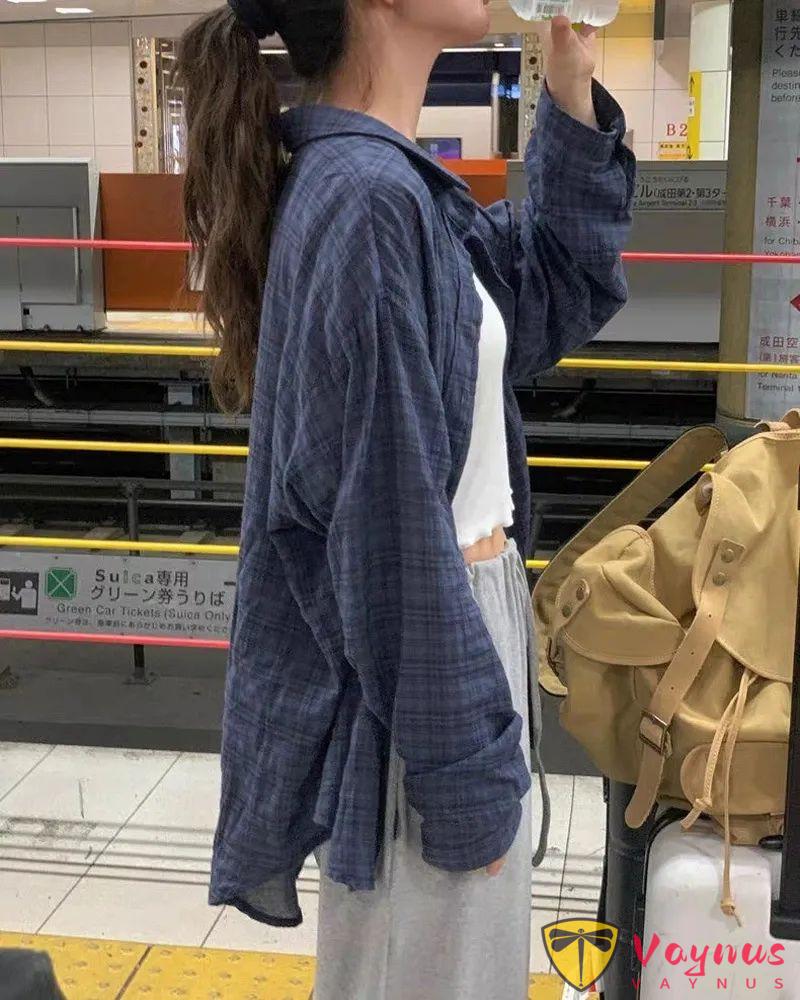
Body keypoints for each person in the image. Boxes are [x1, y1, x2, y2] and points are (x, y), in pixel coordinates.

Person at [177, 1, 634, 997]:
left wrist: (569, 77)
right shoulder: (367, 197)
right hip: (429, 651)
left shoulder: (386, 183)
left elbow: (548, 286)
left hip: (453, 627)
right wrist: (464, 773)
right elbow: (381, 531)